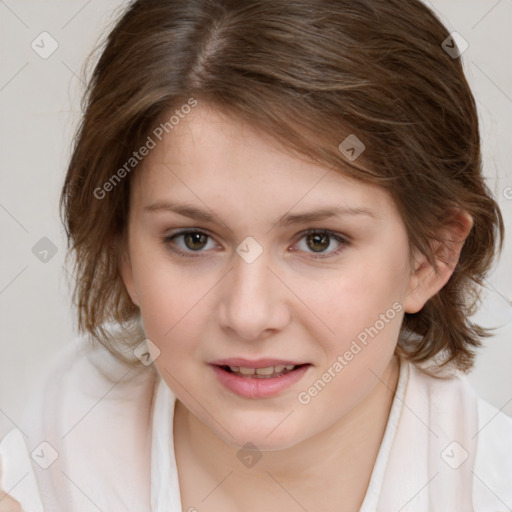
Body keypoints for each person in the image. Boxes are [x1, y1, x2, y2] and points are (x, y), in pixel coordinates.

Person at [1, 0, 511, 510]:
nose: (248, 315)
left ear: (429, 258)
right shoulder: (42, 463)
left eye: (318, 240)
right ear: (124, 252)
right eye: (193, 239)